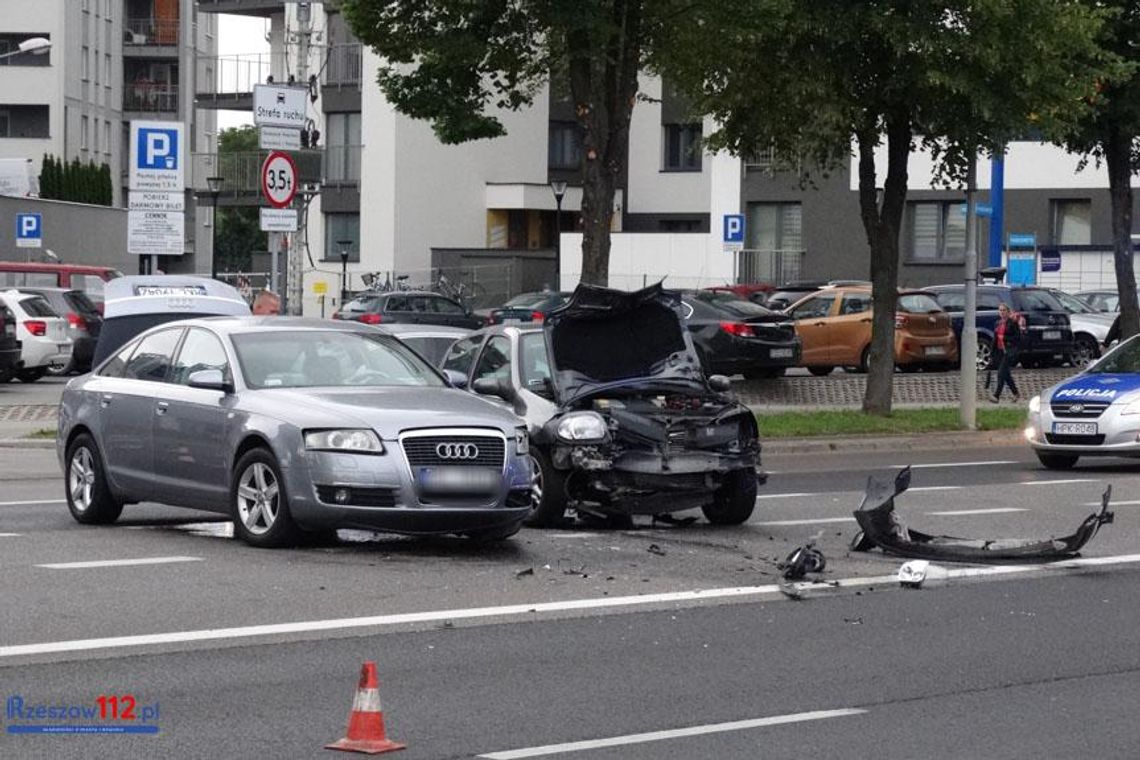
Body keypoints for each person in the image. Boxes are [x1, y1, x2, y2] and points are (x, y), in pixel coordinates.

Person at [989, 302, 1022, 403]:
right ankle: (1016, 393)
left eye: (1004, 310)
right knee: (1006, 374)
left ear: (1008, 312)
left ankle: (996, 396)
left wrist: (1005, 338)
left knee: (1001, 373)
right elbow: (995, 339)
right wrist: (991, 352)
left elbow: (1017, 338)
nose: (1002, 312)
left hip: (1009, 351)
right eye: (1000, 310)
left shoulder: (1013, 323)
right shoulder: (998, 323)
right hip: (999, 351)